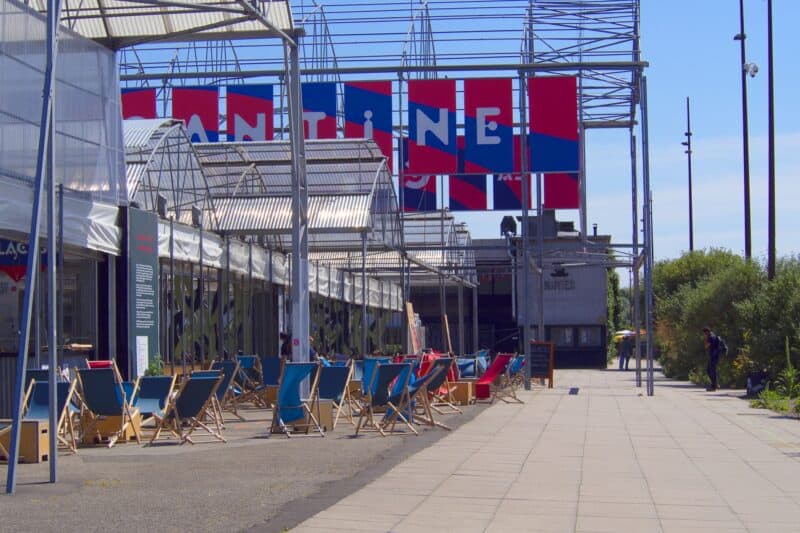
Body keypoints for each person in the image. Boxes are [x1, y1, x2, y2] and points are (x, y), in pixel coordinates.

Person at [703, 326, 722, 391]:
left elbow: (706, 346)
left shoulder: (710, 337)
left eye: (704, 333)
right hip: (716, 355)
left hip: (713, 356)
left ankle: (714, 386)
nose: (704, 335)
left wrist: (705, 339)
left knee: (711, 371)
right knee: (711, 370)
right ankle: (715, 384)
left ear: (707, 332)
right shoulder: (714, 335)